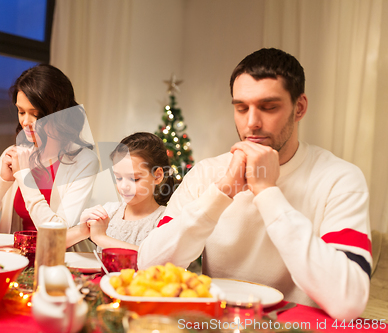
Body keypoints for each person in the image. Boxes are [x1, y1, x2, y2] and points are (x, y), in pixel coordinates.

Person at [138, 48, 371, 320]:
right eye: (241, 107)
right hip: (217, 324)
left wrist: (268, 192)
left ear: (300, 107)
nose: (251, 123)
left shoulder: (340, 178)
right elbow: (148, 267)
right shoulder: (207, 173)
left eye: (269, 107)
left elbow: (349, 303)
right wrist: (222, 192)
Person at [0, 64, 99, 247]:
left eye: (35, 114)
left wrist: (24, 175)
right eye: (21, 112)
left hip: (61, 262)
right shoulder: (13, 154)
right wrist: (1, 182)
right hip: (15, 259)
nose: (25, 121)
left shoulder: (84, 161)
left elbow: (57, 235)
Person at [66, 132, 176, 250]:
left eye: (134, 179)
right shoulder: (109, 211)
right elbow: (54, 244)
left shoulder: (165, 220)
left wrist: (101, 238)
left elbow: (153, 259)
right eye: (118, 178)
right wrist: (82, 231)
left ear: (157, 176)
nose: (123, 186)